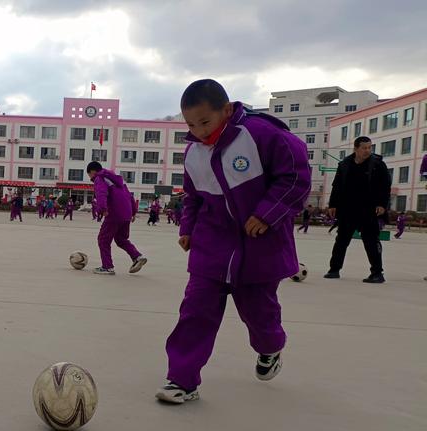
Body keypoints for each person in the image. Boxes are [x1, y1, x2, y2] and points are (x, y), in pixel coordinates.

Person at [155, 79, 311, 404]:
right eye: (190, 125)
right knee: (195, 312)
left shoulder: (259, 135)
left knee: (260, 315)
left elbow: (295, 176)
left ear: (226, 111)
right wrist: (188, 228)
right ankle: (181, 380)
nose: (198, 131)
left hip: (259, 247)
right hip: (212, 246)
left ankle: (271, 348)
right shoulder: (194, 153)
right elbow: (193, 196)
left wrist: (267, 214)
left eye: (205, 122)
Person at [324, 136, 391, 283]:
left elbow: (385, 187)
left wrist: (382, 204)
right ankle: (334, 269)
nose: (367, 151)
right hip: (348, 209)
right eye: (364, 148)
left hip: (369, 210)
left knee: (371, 241)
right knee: (341, 240)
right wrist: (333, 205)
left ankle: (377, 273)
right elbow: (337, 186)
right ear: (356, 149)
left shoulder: (377, 164)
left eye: (369, 147)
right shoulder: (345, 164)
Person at [86, 161, 148, 275]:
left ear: (93, 172)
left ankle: (107, 266)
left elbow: (101, 193)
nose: (90, 178)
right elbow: (129, 195)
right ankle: (137, 256)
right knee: (121, 239)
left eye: (89, 175)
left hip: (114, 213)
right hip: (126, 214)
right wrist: (133, 211)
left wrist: (102, 209)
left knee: (103, 240)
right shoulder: (118, 179)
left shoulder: (100, 178)